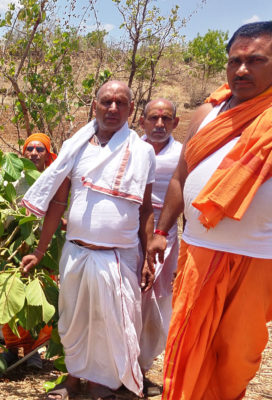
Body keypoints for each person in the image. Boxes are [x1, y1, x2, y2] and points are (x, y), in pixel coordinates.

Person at [147, 21, 272, 400]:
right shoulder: (207, 113)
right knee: (188, 344)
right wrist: (161, 231)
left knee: (238, 356)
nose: (242, 70)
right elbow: (181, 178)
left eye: (256, 60)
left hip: (258, 257)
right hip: (198, 250)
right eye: (235, 61)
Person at [21, 80, 156, 400]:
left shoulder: (142, 151)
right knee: (74, 320)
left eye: (120, 103)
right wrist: (40, 251)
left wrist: (149, 257)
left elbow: (146, 208)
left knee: (111, 323)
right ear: (94, 105)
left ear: (131, 109)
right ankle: (73, 378)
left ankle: (103, 383)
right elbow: (57, 202)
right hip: (76, 252)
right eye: (106, 101)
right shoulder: (75, 146)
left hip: (120, 256)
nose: (113, 108)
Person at [137, 98, 181, 394]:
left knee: (157, 305)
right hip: (131, 232)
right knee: (129, 300)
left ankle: (140, 370)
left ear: (176, 123)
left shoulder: (183, 154)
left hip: (167, 237)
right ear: (142, 122)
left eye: (166, 119)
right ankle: (115, 369)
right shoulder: (130, 149)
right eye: (153, 118)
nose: (159, 124)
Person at [2, 133, 56, 369]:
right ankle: (12, 349)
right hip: (14, 248)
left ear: (48, 154)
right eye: (30, 148)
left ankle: (33, 351)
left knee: (38, 301)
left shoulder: (55, 181)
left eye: (40, 149)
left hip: (46, 250)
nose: (34, 153)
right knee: (11, 297)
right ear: (23, 153)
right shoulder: (13, 182)